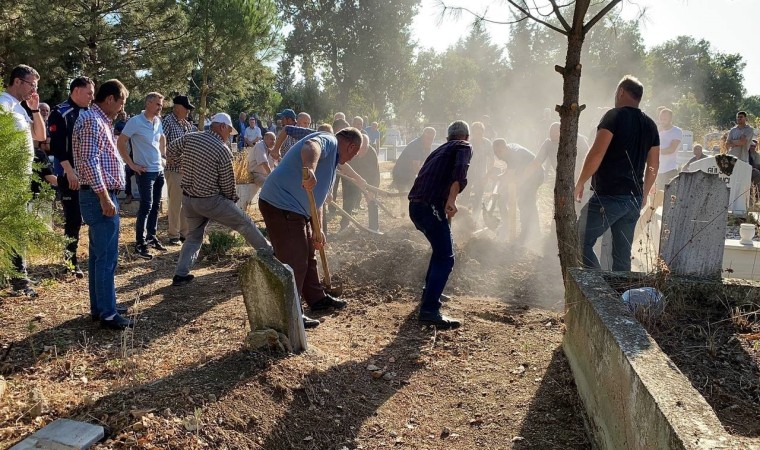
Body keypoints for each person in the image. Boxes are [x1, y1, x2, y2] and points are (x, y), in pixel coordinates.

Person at [258, 127, 364, 328]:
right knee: (295, 260)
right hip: (281, 205)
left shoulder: (332, 162)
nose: (353, 158)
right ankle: (291, 313)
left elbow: (319, 199)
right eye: (355, 153)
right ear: (351, 146)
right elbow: (310, 146)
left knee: (309, 253)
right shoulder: (329, 141)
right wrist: (310, 170)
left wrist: (318, 228)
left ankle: (316, 299)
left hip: (298, 211)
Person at [167, 113, 272, 286]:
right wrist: (232, 199)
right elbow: (227, 183)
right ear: (222, 127)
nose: (229, 135)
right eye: (229, 131)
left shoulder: (191, 137)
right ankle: (270, 254)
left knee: (193, 236)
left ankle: (180, 274)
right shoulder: (222, 149)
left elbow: (170, 149)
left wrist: (180, 164)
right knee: (245, 222)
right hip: (210, 200)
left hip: (189, 199)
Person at [574, 75, 660, 271]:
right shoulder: (651, 125)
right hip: (633, 199)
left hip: (609, 195)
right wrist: (644, 194)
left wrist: (580, 182)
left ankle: (598, 289)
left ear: (621, 91)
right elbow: (654, 165)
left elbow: (596, 153)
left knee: (579, 239)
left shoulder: (614, 116)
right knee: (622, 257)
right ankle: (621, 299)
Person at [74, 79, 132, 329]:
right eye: (121, 102)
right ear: (110, 99)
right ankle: (107, 314)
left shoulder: (99, 121)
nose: (121, 108)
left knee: (100, 256)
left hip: (100, 194)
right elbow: (89, 161)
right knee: (106, 256)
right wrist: (104, 197)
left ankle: (102, 306)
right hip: (99, 196)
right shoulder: (91, 121)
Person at [408, 121, 472, 329]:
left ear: (447, 138)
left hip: (416, 207)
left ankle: (430, 293)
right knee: (446, 257)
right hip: (430, 206)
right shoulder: (463, 146)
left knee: (439, 251)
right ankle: (429, 310)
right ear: (466, 137)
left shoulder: (440, 150)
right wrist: (452, 200)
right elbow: (459, 174)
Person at [1, 65, 47, 297]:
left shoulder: (20, 109)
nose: (33, 90)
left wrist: (35, 109)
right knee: (12, 229)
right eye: (32, 85)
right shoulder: (2, 105)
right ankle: (19, 280)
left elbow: (40, 136)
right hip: (7, 178)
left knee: (17, 229)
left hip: (22, 176)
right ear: (17, 82)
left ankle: (17, 278)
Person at [48, 76, 95, 277]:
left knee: (90, 217)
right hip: (69, 173)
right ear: (76, 90)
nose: (92, 97)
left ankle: (92, 258)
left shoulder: (90, 112)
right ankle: (70, 261)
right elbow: (57, 145)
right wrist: (68, 170)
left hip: (89, 173)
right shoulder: (60, 112)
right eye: (89, 93)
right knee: (73, 219)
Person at [117, 92, 167, 260]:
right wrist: (131, 165)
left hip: (158, 170)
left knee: (155, 206)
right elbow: (121, 142)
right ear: (148, 104)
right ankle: (140, 243)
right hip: (144, 172)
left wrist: (163, 156)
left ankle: (151, 237)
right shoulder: (135, 122)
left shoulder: (157, 121)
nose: (160, 108)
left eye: (161, 105)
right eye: (158, 104)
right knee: (146, 206)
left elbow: (161, 138)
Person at [492, 139, 544, 244]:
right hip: (525, 175)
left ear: (505, 148)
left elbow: (511, 177)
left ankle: (530, 233)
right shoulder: (508, 151)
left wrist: (503, 186)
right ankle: (509, 225)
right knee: (523, 201)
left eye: (499, 152)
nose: (498, 155)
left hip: (536, 175)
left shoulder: (512, 155)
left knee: (525, 202)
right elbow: (511, 171)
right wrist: (502, 177)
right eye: (495, 152)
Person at [162, 94, 196, 246]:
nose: (188, 111)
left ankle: (184, 233)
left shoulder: (187, 125)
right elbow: (161, 143)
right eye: (186, 108)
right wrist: (168, 157)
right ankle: (173, 234)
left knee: (186, 203)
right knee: (175, 203)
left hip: (186, 169)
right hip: (173, 168)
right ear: (177, 108)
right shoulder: (167, 122)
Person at [344, 133, 381, 231]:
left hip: (368, 179)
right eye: (361, 147)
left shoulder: (371, 153)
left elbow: (375, 174)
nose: (363, 150)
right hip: (352, 178)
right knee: (348, 200)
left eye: (366, 147)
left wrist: (372, 190)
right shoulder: (349, 150)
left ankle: (373, 227)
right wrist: (354, 179)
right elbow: (343, 167)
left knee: (372, 201)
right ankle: (344, 225)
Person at [237, 131, 276, 211]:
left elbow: (278, 162)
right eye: (271, 139)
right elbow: (263, 163)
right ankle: (270, 208)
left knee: (278, 185)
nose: (273, 142)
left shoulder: (269, 148)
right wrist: (272, 177)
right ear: (265, 139)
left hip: (265, 174)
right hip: (256, 174)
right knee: (270, 186)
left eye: (274, 140)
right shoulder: (260, 146)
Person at [392, 127, 436, 192]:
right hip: (401, 173)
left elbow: (427, 164)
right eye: (428, 138)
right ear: (423, 136)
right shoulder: (416, 145)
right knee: (408, 194)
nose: (430, 141)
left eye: (432, 139)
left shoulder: (427, 146)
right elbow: (415, 166)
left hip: (410, 173)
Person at [466, 122, 494, 224]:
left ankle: (475, 220)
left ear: (483, 133)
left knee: (478, 197)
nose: (478, 136)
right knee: (465, 195)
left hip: (481, 174)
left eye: (480, 133)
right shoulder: (468, 143)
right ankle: (463, 218)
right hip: (468, 174)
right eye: (476, 133)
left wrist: (487, 176)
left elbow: (492, 160)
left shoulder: (487, 144)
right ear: (472, 133)